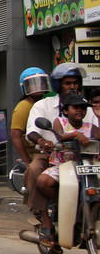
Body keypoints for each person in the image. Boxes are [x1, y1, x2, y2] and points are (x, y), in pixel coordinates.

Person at [25, 63, 98, 237]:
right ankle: (46, 219)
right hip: (52, 153)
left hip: (85, 156)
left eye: (75, 82)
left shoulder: (85, 107)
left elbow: (96, 128)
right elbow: (31, 132)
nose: (73, 86)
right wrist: (43, 142)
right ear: (58, 85)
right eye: (68, 83)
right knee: (35, 170)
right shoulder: (43, 105)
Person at [35, 94, 98, 246]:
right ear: (65, 110)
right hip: (63, 166)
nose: (80, 111)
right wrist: (76, 134)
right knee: (43, 181)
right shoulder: (60, 122)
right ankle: (60, 204)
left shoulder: (91, 127)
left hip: (87, 167)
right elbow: (60, 136)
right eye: (76, 107)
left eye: (83, 108)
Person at [10, 67, 48, 168]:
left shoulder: (47, 103)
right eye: (33, 83)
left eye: (41, 82)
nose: (38, 86)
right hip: (35, 154)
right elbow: (15, 135)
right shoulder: (23, 106)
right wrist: (27, 162)